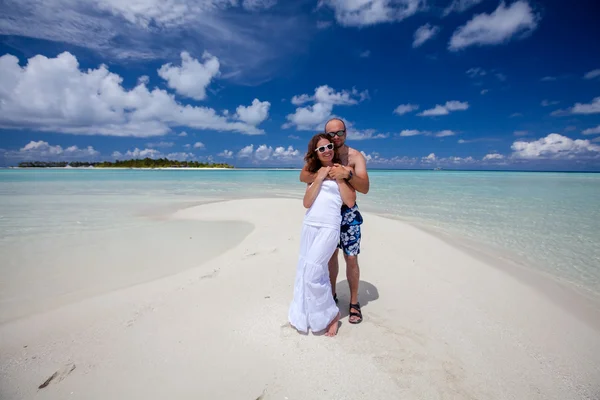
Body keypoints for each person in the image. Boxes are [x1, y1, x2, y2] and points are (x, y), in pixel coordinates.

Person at [299, 118, 370, 325]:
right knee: (329, 257)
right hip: (325, 214)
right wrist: (325, 175)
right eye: (331, 134)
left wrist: (346, 173)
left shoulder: (355, 156)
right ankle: (331, 295)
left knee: (351, 258)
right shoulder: (323, 151)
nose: (336, 137)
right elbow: (304, 176)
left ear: (346, 133)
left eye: (340, 133)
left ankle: (354, 302)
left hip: (347, 213)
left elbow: (364, 188)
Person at [288, 133, 357, 337]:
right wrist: (319, 177)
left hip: (329, 227)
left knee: (313, 271)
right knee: (306, 271)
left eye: (329, 147)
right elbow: (307, 203)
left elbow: (351, 201)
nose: (326, 150)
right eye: (321, 149)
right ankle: (310, 313)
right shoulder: (314, 173)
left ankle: (331, 315)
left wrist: (339, 177)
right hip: (310, 225)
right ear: (315, 154)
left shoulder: (343, 170)